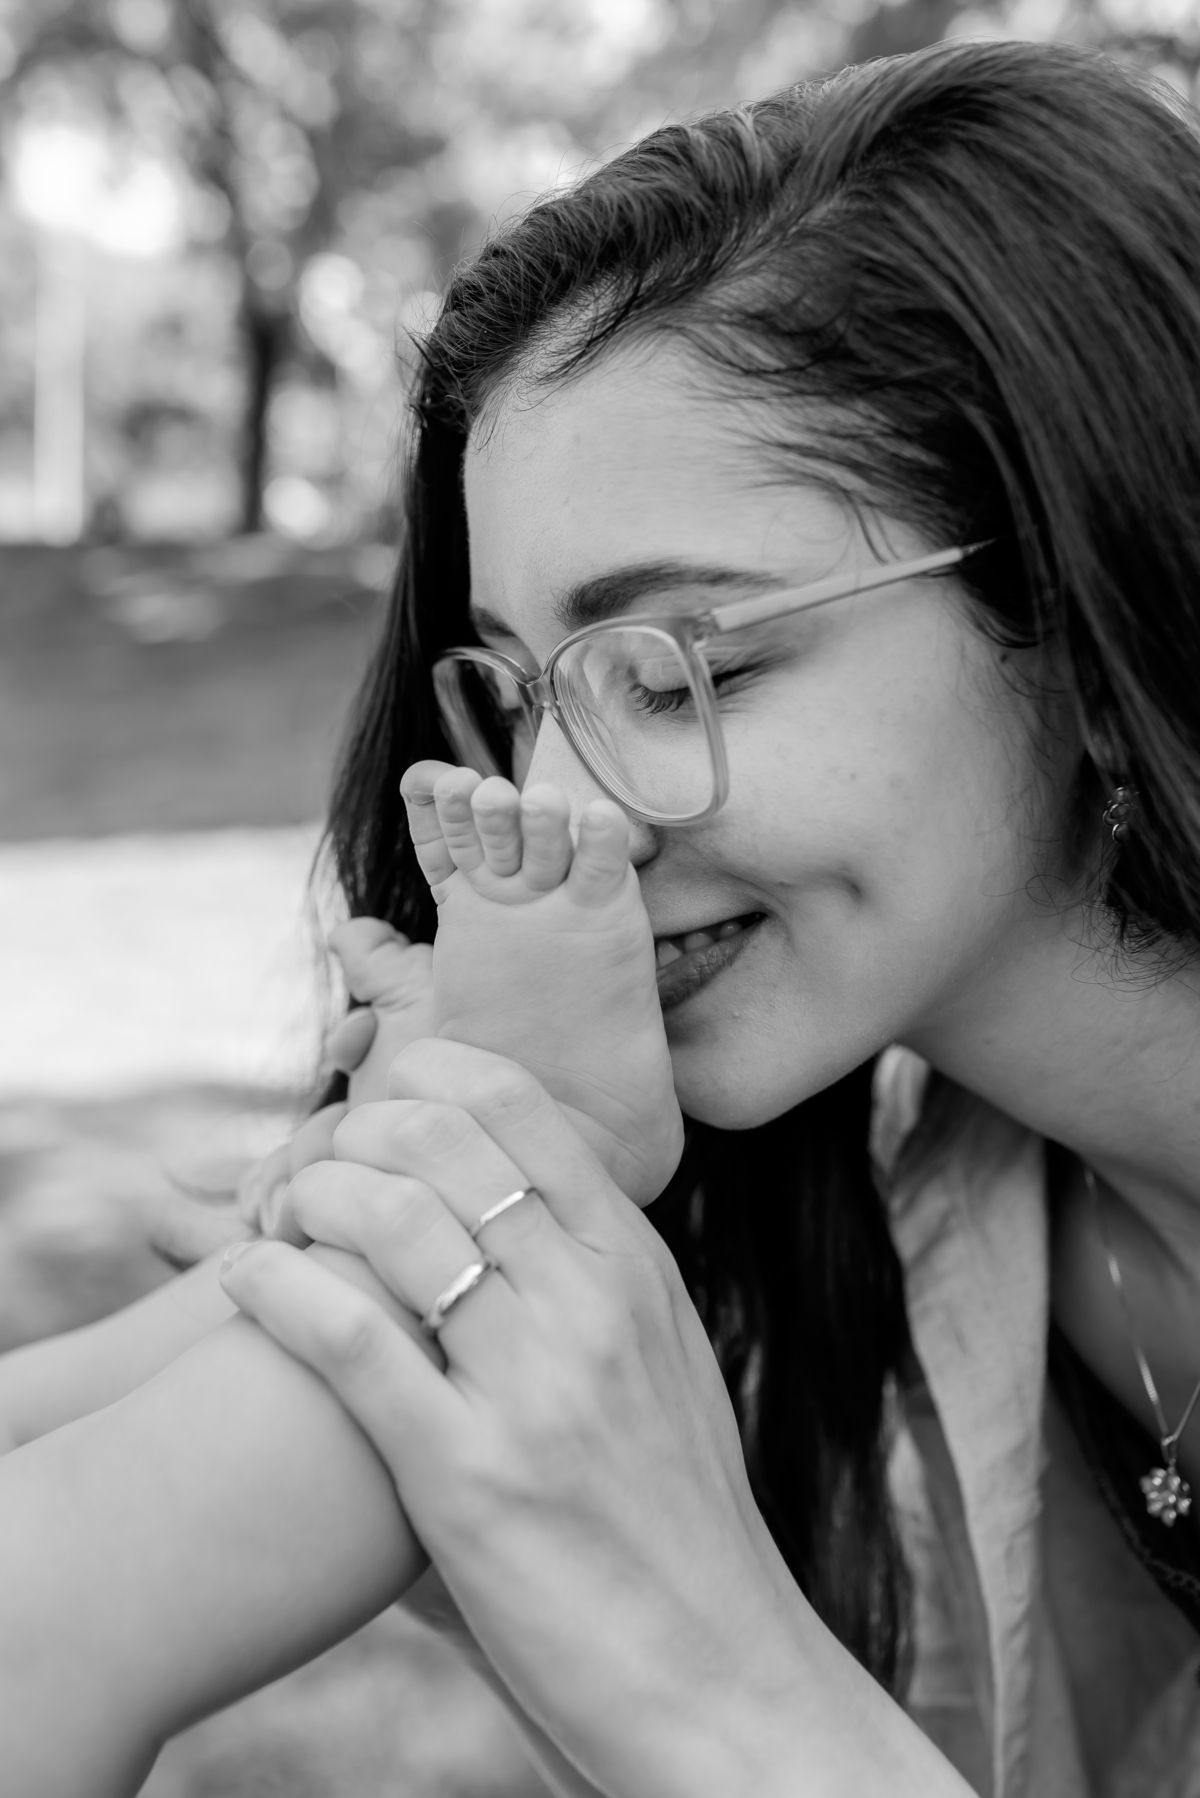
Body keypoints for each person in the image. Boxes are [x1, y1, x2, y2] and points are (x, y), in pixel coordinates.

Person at [3, 35, 1200, 1796]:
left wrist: (709, 1661)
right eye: (513, 686)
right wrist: (426, 1224)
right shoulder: (905, 1194)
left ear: (1090, 611)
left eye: (686, 664)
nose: (558, 806)